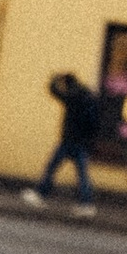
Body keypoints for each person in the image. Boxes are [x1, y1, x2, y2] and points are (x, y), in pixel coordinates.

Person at [23, 68, 102, 210]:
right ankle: (86, 203)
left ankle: (40, 193)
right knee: (82, 174)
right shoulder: (88, 96)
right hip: (82, 142)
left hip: (68, 140)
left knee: (52, 167)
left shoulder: (72, 96)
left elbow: (55, 91)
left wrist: (54, 79)